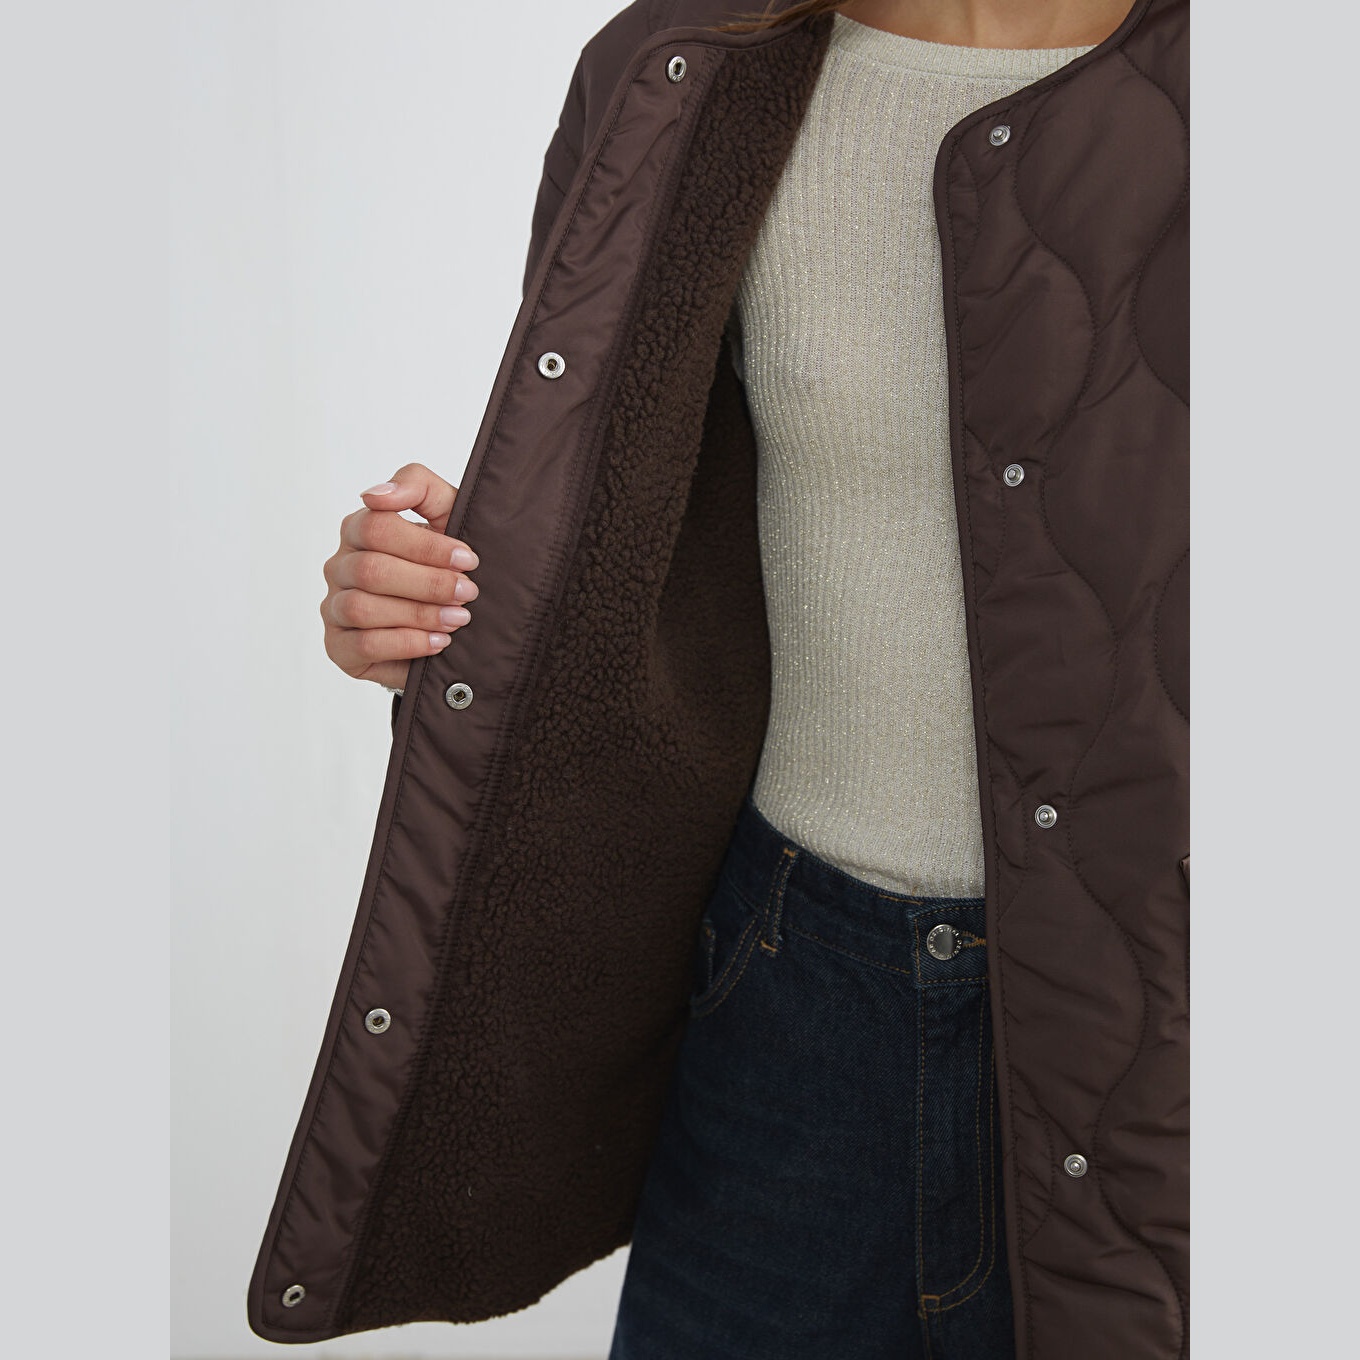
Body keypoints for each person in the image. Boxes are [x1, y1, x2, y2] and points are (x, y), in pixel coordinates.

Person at [278, 1, 1187, 1355]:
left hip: (1169, 1019)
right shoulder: (684, 69)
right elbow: (630, 529)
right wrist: (438, 605)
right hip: (792, 1005)